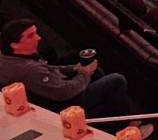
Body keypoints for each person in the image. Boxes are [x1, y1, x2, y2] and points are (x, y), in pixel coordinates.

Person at [0, 21, 137, 122]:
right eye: (31, 36)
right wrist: (84, 72)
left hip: (53, 90)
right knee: (116, 80)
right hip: (62, 105)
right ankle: (123, 124)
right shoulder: (29, 69)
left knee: (97, 72)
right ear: (15, 45)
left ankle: (106, 117)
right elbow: (64, 92)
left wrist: (74, 68)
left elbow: (47, 69)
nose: (38, 37)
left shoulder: (9, 57)